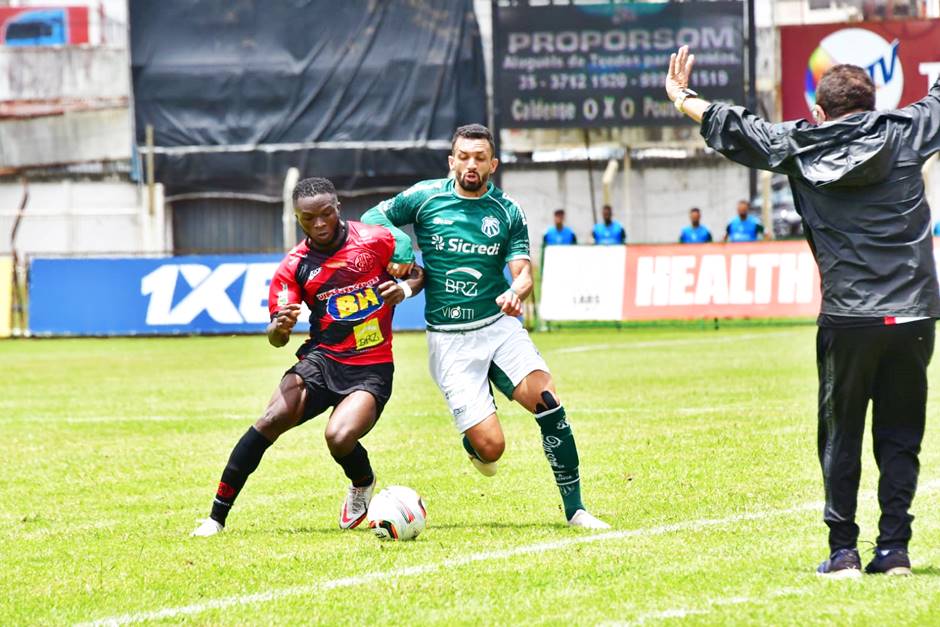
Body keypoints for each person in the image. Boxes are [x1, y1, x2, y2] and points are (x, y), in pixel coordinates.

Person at [666, 45, 940, 576]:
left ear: (819, 111)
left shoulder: (797, 142)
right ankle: (895, 551)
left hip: (849, 315)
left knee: (841, 434)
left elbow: (735, 126)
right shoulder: (906, 130)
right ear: (875, 103)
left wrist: (682, 97)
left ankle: (843, 552)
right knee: (900, 432)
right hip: (912, 312)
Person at [362, 123, 609, 529]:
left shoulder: (507, 210)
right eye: (463, 156)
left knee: (548, 401)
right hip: (449, 341)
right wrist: (402, 247)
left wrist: (517, 291)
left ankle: (576, 509)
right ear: (451, 161)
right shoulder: (425, 198)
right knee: (491, 451)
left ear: (492, 164)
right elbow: (373, 217)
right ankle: (476, 439)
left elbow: (524, 273)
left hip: (498, 327)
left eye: (480, 158)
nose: (471, 164)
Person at [191, 177, 424, 537]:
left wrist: (405, 289)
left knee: (339, 437)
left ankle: (362, 480)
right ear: (297, 218)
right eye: (308, 219)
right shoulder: (295, 265)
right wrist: (279, 328)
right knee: (271, 418)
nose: (319, 224)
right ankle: (215, 518)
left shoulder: (375, 239)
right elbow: (276, 338)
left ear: (338, 209)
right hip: (321, 360)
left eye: (326, 214)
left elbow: (418, 272)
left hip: (371, 367)